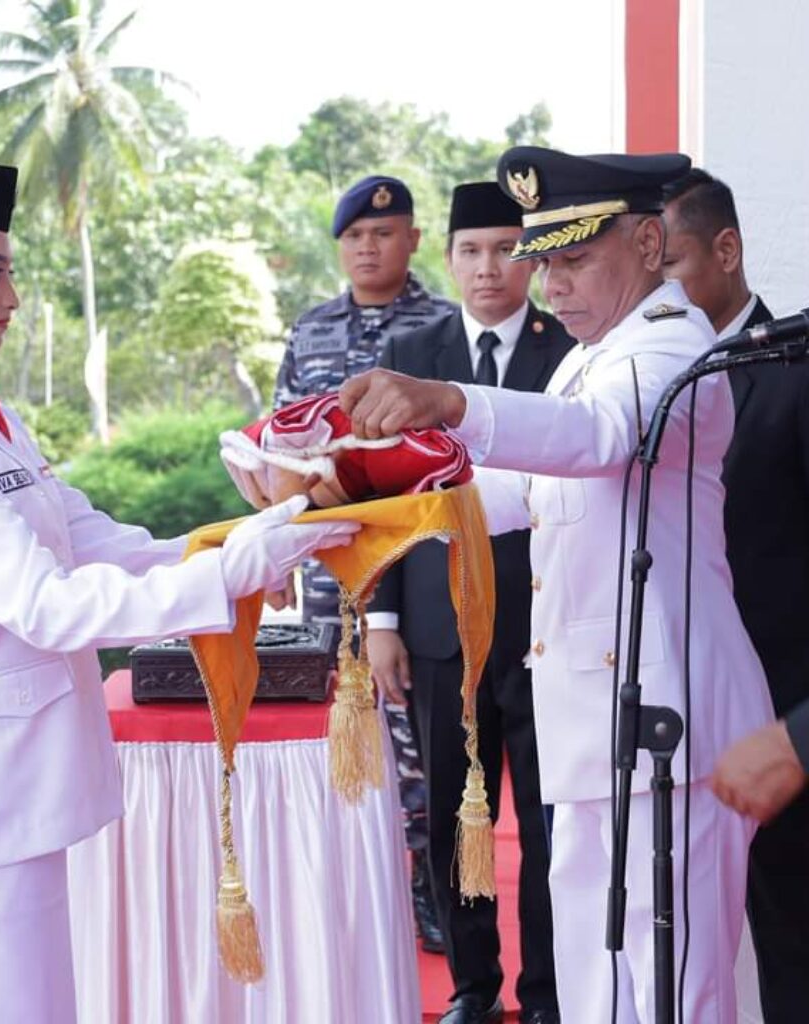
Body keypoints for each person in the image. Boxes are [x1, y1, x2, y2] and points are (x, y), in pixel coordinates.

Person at [0, 161, 356, 1024]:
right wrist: (229, 574)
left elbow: (95, 542)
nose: (13, 294)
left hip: (10, 799)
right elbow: (47, 603)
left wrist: (243, 536)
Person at [338, 145, 775, 1024]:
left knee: (669, 991)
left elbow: (596, 438)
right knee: (591, 983)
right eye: (548, 265)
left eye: (576, 260)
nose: (555, 287)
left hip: (670, 734)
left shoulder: (669, 345)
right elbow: (520, 493)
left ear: (649, 244)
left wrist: (449, 403)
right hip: (594, 726)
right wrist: (352, 501)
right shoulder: (591, 354)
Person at [366, 182, 571, 1024]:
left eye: (506, 249)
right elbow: (374, 488)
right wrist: (380, 620)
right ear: (446, 259)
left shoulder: (568, 350)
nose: (489, 268)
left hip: (544, 627)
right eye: (472, 251)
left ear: (530, 258)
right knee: (457, 819)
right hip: (438, 627)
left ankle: (548, 995)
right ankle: (472, 992)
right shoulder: (412, 350)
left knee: (552, 826)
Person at [273, 174, 456, 947]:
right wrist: (275, 540)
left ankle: (428, 898)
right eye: (355, 237)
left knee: (417, 737)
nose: (369, 247)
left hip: (417, 568)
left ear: (413, 239)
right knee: (340, 726)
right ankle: (346, 895)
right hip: (330, 574)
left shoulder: (447, 327)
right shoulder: (310, 331)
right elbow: (282, 445)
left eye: (385, 234)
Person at [663, 168, 809, 1021]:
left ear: (727, 250)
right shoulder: (653, 378)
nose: (661, 289)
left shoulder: (790, 366)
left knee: (791, 946)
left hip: (783, 712)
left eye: (672, 263)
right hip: (689, 719)